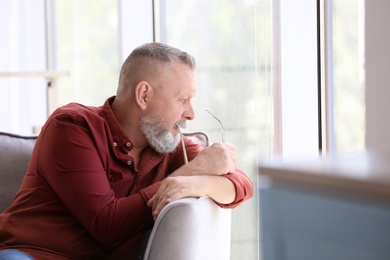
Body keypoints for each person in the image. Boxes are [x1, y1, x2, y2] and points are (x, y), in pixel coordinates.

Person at [0, 42, 253, 259]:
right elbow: (106, 224)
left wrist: (197, 184)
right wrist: (193, 172)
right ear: (144, 95)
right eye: (182, 99)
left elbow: (242, 184)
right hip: (30, 254)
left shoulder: (169, 145)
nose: (191, 113)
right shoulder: (72, 127)